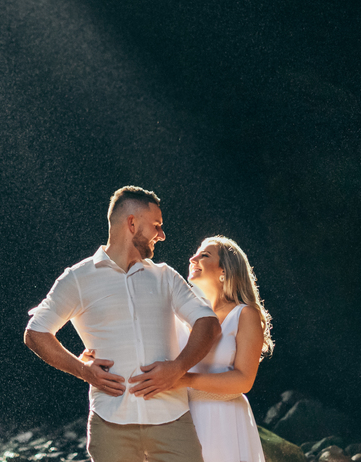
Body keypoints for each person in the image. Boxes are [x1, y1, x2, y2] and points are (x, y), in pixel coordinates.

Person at [24, 185, 222, 462]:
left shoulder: (166, 276)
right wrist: (84, 370)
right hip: (110, 424)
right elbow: (36, 333)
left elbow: (208, 323)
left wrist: (177, 368)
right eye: (157, 225)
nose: (162, 235)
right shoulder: (78, 278)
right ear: (132, 223)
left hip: (172, 421)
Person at [175, 236, 275, 462]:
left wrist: (185, 379)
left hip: (223, 420)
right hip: (183, 416)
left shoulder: (244, 314)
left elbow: (244, 380)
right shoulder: (186, 315)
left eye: (204, 255)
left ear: (225, 270)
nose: (193, 258)